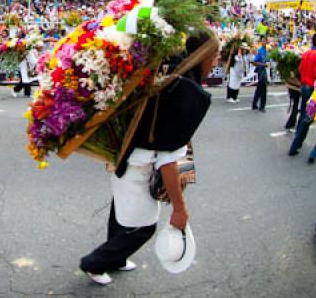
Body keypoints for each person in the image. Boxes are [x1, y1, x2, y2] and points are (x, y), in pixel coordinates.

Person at [79, 30, 219, 285]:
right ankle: (93, 263)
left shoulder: (172, 70)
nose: (216, 63)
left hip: (126, 155)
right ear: (203, 55)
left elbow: (176, 146)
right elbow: (169, 159)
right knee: (144, 228)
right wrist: (180, 209)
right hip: (137, 163)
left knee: (121, 207)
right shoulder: (186, 90)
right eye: (215, 56)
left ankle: (116, 259)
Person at [288, 33, 316, 156]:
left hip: (303, 86)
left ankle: (297, 139)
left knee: (303, 112)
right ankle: (296, 144)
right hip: (311, 88)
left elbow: (301, 69)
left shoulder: (306, 53)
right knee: (307, 117)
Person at [251, 37, 269, 112]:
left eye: (264, 41)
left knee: (259, 88)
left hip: (264, 70)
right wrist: (263, 65)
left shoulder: (266, 51)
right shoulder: (260, 51)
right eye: (262, 41)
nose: (263, 42)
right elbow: (254, 62)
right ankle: (262, 106)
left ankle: (254, 104)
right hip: (260, 70)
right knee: (263, 89)